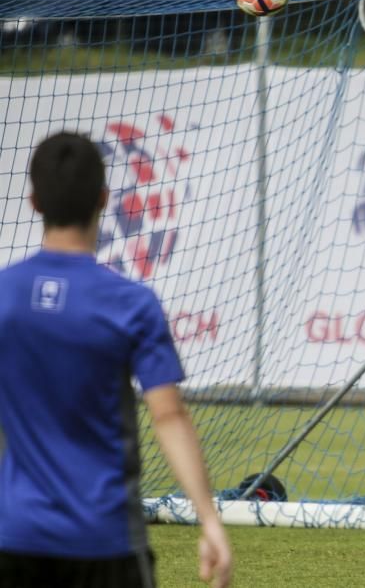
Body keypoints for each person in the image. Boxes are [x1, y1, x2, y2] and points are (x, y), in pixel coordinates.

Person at [0, 132, 232, 588]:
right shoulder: (131, 303)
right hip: (104, 540)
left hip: (14, 536)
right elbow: (168, 415)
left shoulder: (4, 295)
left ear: (34, 202)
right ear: (105, 199)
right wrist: (209, 520)